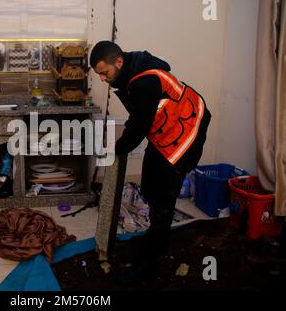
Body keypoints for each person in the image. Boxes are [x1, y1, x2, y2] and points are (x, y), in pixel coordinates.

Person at [90, 41, 211, 283]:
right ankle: (154, 239)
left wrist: (116, 149)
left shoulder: (144, 80)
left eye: (105, 73)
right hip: (166, 135)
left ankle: (148, 266)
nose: (103, 79)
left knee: (162, 199)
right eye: (99, 74)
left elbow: (138, 127)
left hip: (186, 136)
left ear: (119, 62)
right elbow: (141, 120)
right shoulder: (131, 74)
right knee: (149, 186)